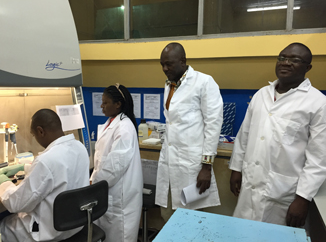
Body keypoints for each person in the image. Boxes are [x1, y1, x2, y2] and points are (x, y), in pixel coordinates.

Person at [229, 43, 326, 227]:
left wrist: (303, 198)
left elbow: (319, 158)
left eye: (295, 60)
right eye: (282, 58)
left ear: (308, 67)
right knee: (242, 234)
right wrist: (236, 169)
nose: (286, 63)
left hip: (284, 193)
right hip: (250, 184)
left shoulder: (318, 103)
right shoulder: (261, 94)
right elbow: (244, 136)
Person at [155, 42, 224, 222]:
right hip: (170, 162)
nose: (164, 68)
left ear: (183, 61)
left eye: (168, 64)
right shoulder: (169, 85)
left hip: (193, 166)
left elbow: (213, 124)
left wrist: (207, 166)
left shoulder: (204, 82)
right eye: (162, 64)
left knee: (190, 220)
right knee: (167, 215)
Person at [0, 109, 90, 241]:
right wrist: (23, 167)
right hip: (75, 224)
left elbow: (16, 203)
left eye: (33, 135)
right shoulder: (79, 147)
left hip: (48, 231)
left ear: (40, 131)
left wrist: (4, 183)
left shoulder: (46, 161)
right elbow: (58, 170)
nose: (35, 139)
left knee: (4, 225)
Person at [90, 84, 142, 242]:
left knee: (119, 235)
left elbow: (114, 167)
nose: (102, 106)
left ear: (118, 104)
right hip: (109, 189)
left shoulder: (124, 128)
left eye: (105, 102)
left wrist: (94, 183)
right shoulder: (111, 123)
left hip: (119, 195)